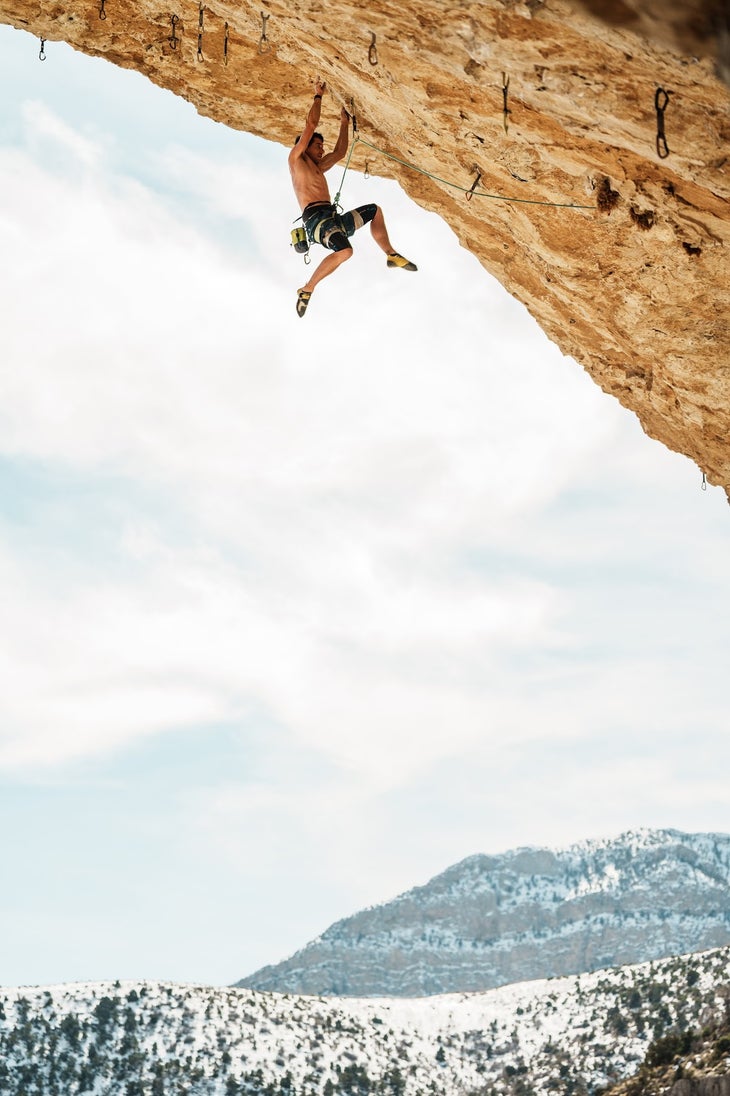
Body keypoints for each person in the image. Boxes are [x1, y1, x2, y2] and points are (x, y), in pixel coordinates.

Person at [288, 80, 417, 318]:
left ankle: (390, 254)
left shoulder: (318, 167)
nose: (322, 150)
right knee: (346, 252)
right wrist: (318, 96)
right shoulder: (297, 160)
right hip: (318, 222)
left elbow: (339, 152)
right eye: (318, 146)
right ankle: (307, 289)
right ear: (304, 147)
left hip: (333, 220)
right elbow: (311, 124)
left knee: (374, 211)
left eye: (322, 146)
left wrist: (344, 123)